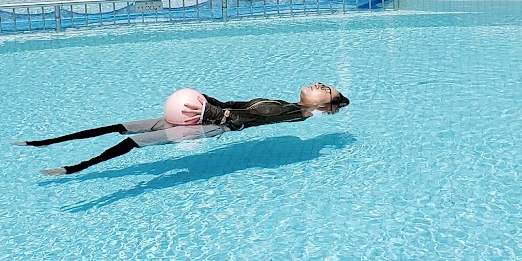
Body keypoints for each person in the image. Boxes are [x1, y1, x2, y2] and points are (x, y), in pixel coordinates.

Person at [19, 83, 349, 177]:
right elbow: (245, 106)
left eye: (327, 91)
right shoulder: (287, 106)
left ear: (326, 107)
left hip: (205, 126)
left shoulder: (291, 115)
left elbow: (248, 119)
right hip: (201, 113)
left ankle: (74, 168)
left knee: (135, 141)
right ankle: (48, 142)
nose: (321, 85)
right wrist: (212, 101)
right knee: (121, 126)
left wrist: (217, 113)